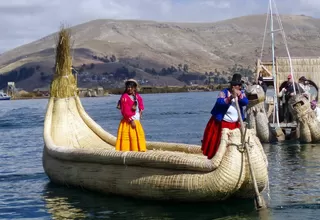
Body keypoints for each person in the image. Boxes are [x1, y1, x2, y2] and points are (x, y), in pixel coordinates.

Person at [201, 73, 249, 159]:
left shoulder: (241, 93)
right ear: (233, 86)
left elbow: (245, 102)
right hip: (222, 123)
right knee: (218, 142)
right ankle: (216, 157)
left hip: (235, 124)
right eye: (238, 85)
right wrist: (230, 98)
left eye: (240, 85)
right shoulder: (223, 93)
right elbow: (220, 103)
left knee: (234, 143)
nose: (240, 87)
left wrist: (239, 96)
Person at [115, 79, 146, 152]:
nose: (129, 89)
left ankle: (139, 150)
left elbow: (140, 105)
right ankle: (130, 152)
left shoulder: (137, 96)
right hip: (128, 122)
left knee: (138, 136)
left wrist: (141, 112)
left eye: (131, 87)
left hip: (136, 121)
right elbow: (124, 111)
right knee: (130, 138)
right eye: (128, 87)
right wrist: (131, 120)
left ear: (134, 88)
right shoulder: (124, 97)